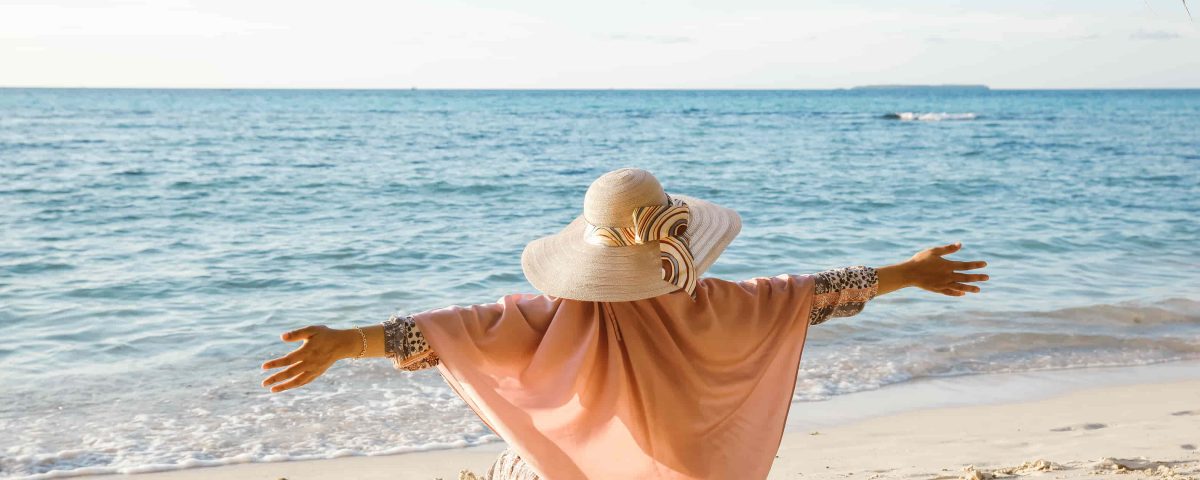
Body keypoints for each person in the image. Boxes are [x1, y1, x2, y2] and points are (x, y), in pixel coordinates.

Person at [261, 168, 989, 479]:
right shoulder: (727, 303)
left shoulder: (547, 319)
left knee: (524, 465)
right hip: (697, 475)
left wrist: (345, 343)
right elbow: (818, 291)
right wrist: (910, 271)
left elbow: (445, 329)